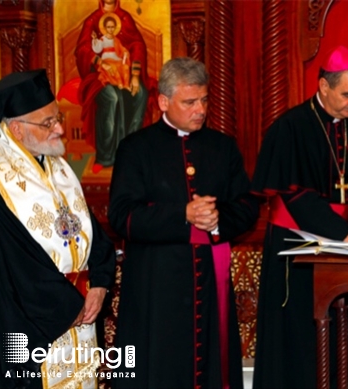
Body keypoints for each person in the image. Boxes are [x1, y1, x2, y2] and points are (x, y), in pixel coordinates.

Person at [251, 45, 348, 389]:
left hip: (345, 251)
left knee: (341, 340)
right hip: (295, 249)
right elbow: (298, 198)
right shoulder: (290, 128)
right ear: (323, 87)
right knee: (297, 341)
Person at [108, 57, 259, 389]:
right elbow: (121, 215)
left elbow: (248, 204)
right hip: (156, 285)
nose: (200, 110)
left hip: (209, 279)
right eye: (190, 102)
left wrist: (219, 220)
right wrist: (183, 214)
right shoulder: (136, 148)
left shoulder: (223, 146)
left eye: (204, 100)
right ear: (163, 101)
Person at [0, 69, 116, 389]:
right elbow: (15, 263)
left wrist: (100, 285)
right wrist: (67, 304)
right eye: (47, 123)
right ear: (16, 128)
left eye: (57, 118)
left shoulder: (57, 165)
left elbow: (89, 232)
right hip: (31, 326)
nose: (59, 128)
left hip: (81, 312)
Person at [75, 0, 150, 172]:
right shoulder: (92, 21)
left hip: (124, 73)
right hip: (98, 75)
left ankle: (131, 149)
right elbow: (82, 50)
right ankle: (106, 156)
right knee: (111, 98)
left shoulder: (124, 19)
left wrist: (136, 75)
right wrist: (99, 61)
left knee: (140, 95)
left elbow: (137, 45)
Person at [92, 15, 131, 90]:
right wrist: (95, 39)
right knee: (113, 67)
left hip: (116, 58)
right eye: (108, 27)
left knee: (125, 67)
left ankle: (126, 84)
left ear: (115, 27)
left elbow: (121, 48)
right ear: (105, 28)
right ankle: (119, 83)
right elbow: (97, 49)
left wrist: (125, 52)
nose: (110, 29)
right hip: (107, 59)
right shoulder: (103, 39)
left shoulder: (116, 40)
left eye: (112, 27)